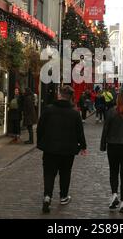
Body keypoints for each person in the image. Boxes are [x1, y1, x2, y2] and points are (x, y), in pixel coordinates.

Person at [37, 85, 87, 214]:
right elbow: (79, 132)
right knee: (65, 173)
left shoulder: (48, 110)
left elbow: (40, 128)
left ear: (59, 95)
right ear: (70, 97)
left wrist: (41, 142)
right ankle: (63, 196)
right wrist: (83, 146)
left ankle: (47, 196)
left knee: (49, 173)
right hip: (67, 150)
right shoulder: (74, 113)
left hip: (50, 148)